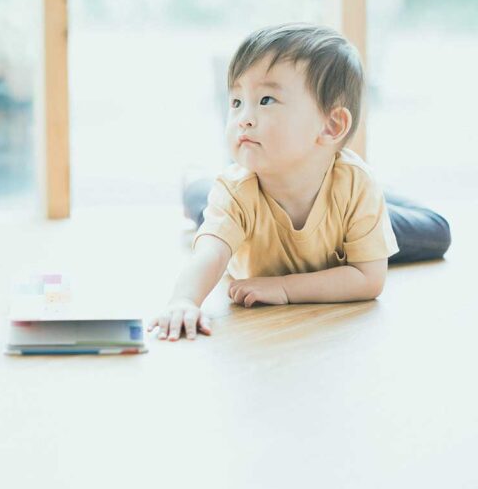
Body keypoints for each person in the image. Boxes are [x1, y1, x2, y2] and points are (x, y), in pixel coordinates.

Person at [147, 23, 399, 342]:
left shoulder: (356, 185)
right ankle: (194, 182)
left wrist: (284, 288)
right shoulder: (235, 189)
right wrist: (183, 301)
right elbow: (210, 254)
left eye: (266, 100)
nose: (243, 118)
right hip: (228, 211)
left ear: (331, 125)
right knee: (203, 203)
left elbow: (369, 279)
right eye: (236, 102)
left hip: (332, 226)